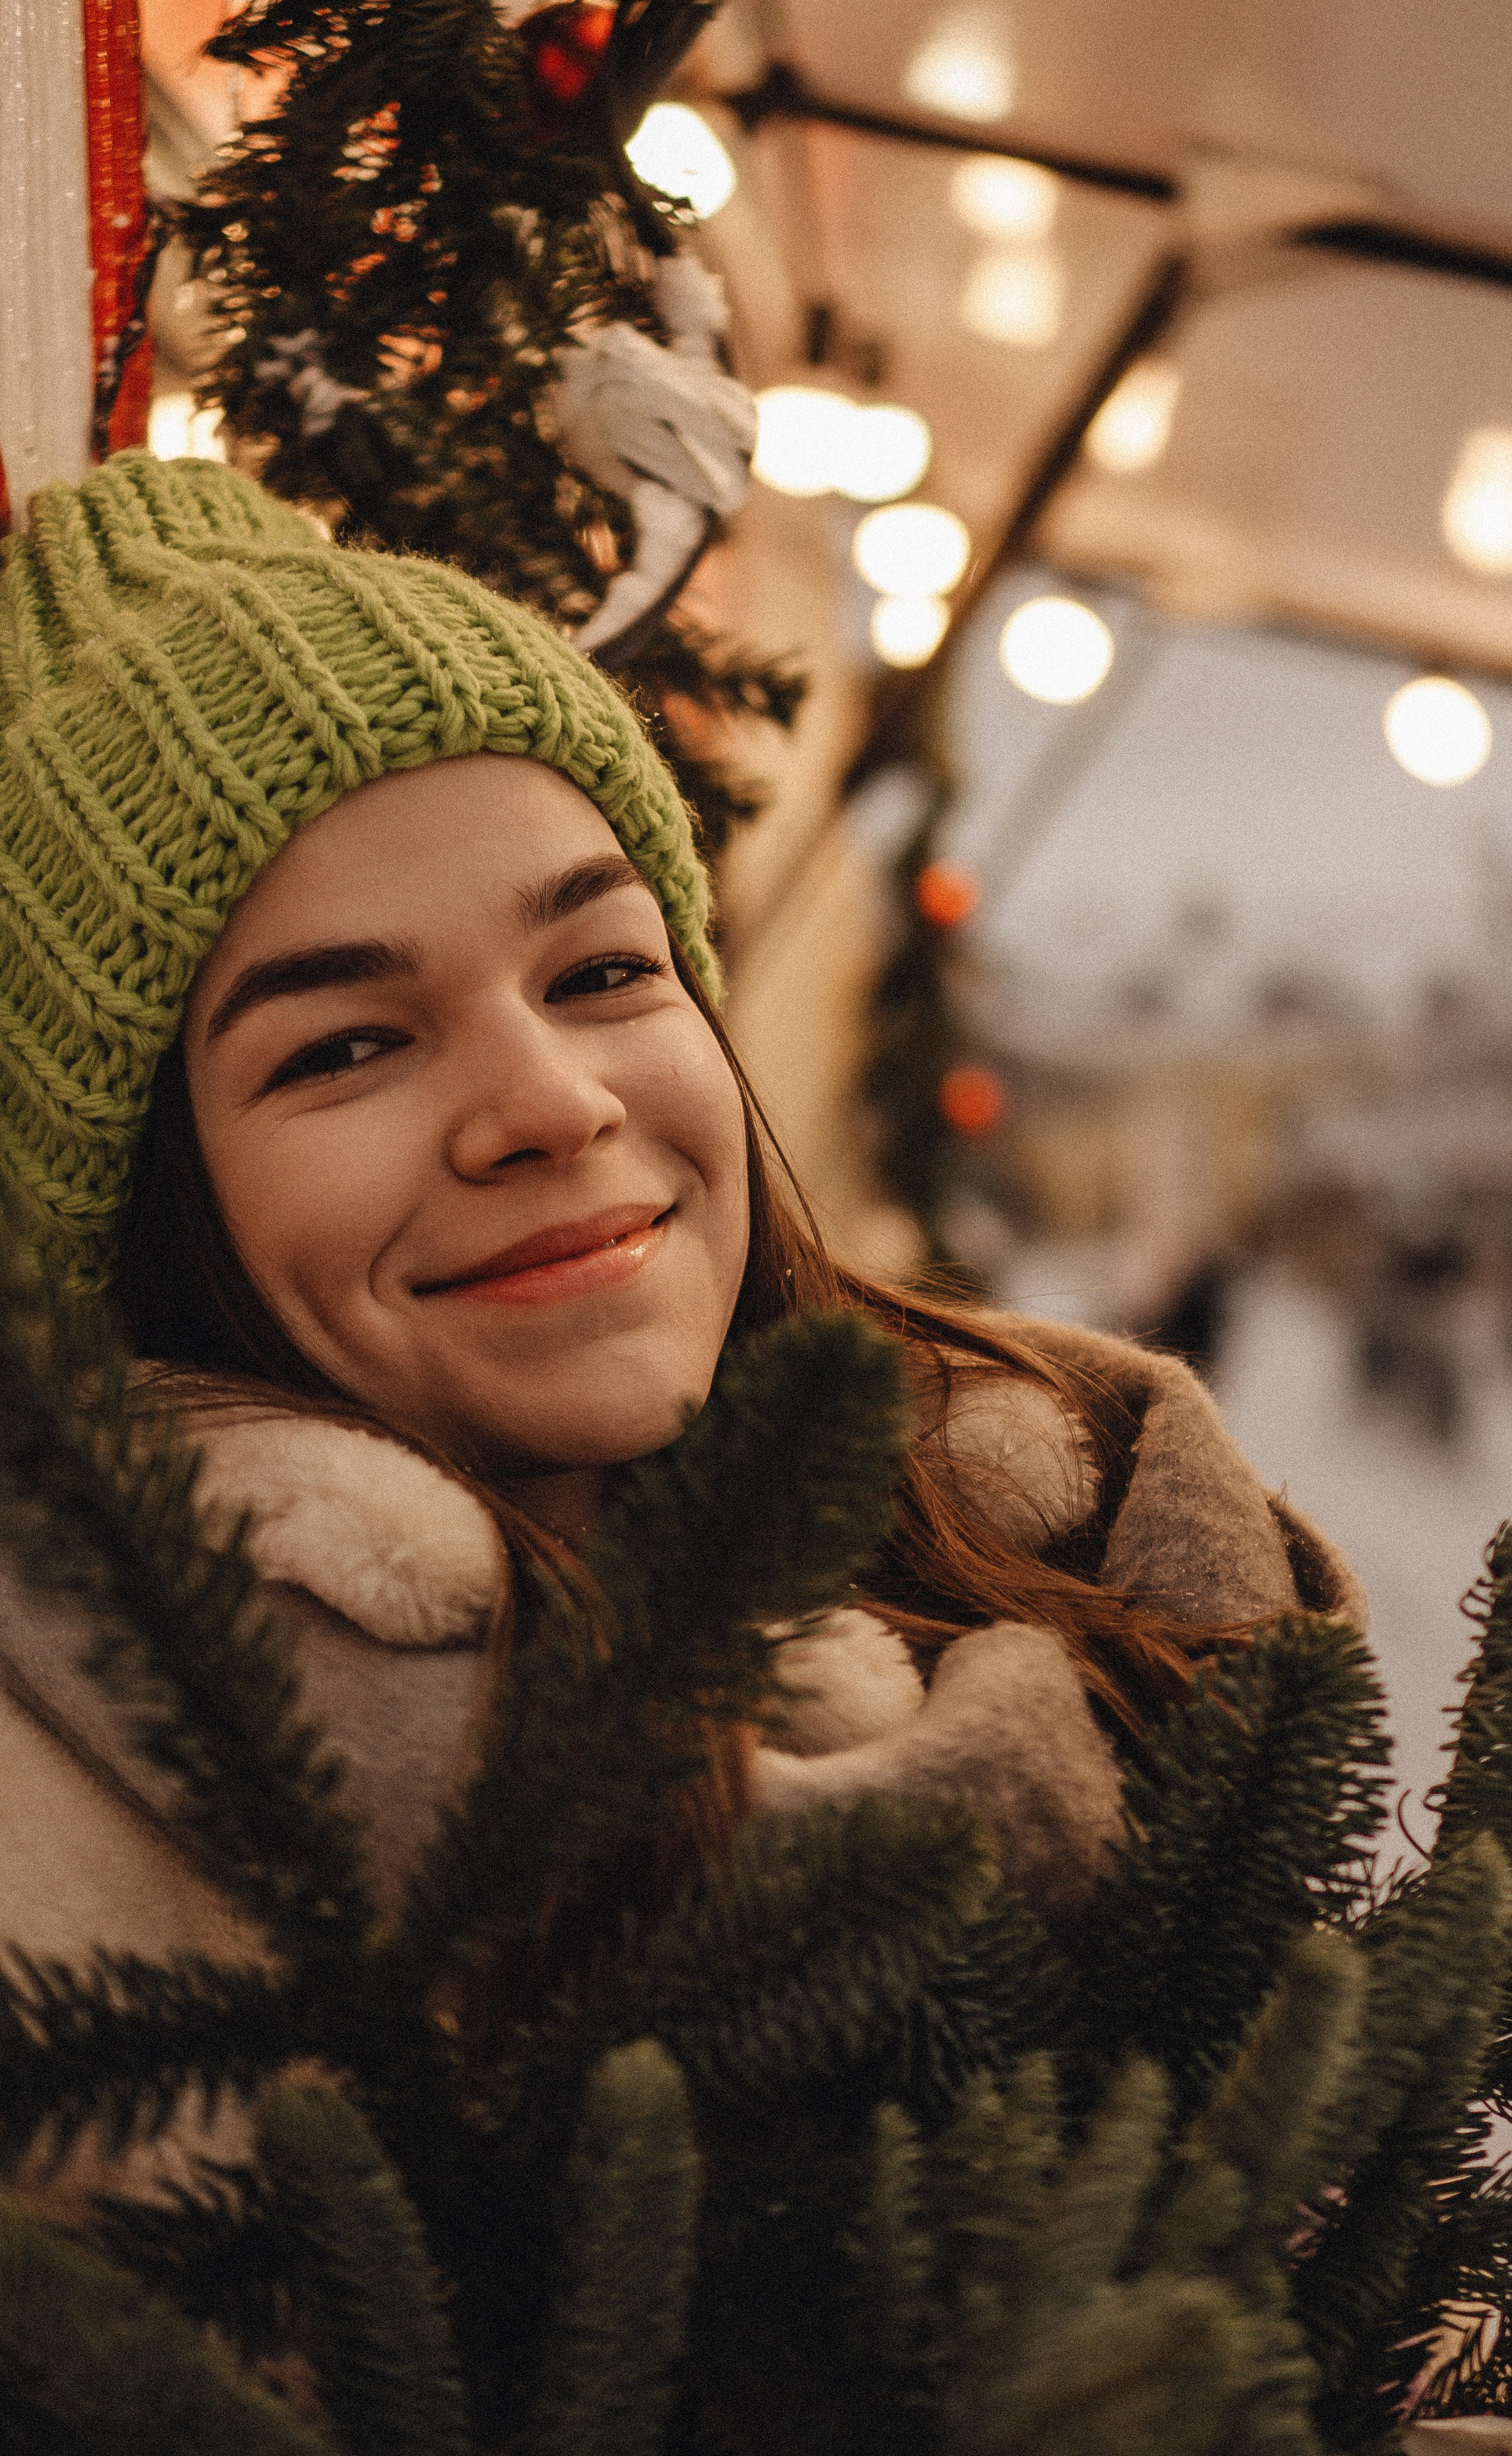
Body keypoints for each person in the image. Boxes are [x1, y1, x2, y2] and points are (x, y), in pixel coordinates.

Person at [0, 456, 1362, 2206]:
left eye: (601, 972)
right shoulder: (74, 1934)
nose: (551, 1106)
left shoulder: (1098, 1535)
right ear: (140, 1214)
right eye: (343, 1046)